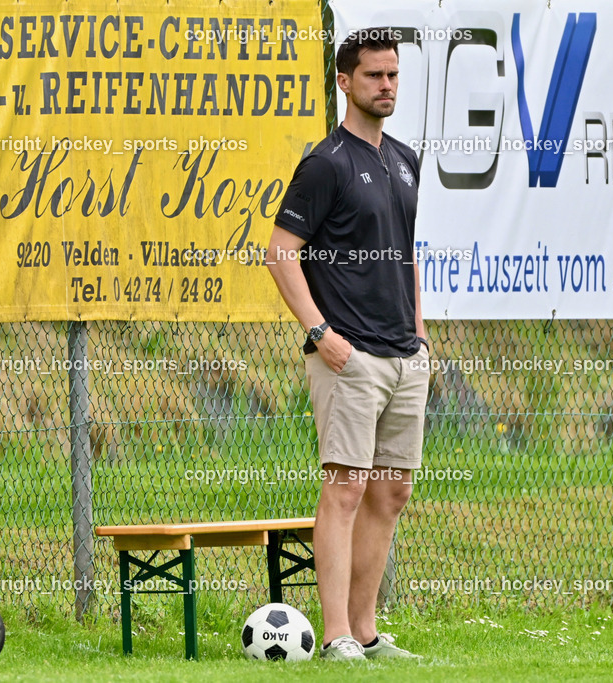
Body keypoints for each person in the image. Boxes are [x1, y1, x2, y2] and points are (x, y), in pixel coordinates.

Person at [266, 27, 429, 661]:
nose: (386, 85)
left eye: (393, 75)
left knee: (390, 493)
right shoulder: (326, 163)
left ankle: (366, 633)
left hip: (404, 356)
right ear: (344, 81)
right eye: (373, 75)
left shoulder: (406, 159)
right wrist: (320, 333)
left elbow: (407, 255)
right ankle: (334, 635)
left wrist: (420, 334)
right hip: (349, 357)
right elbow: (281, 253)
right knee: (345, 490)